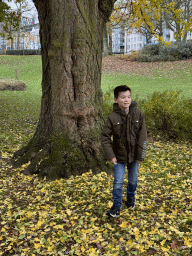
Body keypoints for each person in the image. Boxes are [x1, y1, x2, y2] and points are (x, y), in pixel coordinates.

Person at [101, 85, 147, 217]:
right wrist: (111, 155)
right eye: (123, 97)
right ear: (116, 100)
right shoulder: (112, 117)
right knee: (118, 182)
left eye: (128, 97)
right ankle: (116, 206)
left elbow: (143, 137)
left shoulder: (139, 114)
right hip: (119, 157)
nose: (126, 100)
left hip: (134, 156)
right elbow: (104, 137)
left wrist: (140, 156)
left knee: (133, 180)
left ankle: (131, 199)